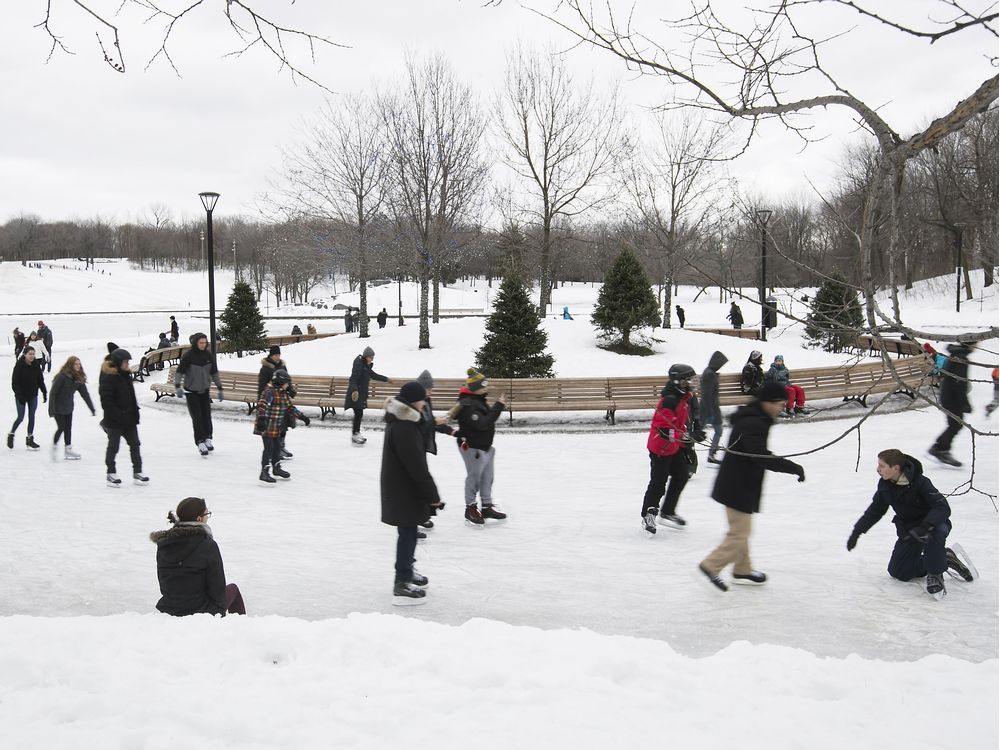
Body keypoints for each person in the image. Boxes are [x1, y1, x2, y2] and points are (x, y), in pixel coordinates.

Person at [698, 382, 805, 591]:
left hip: (740, 482)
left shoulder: (757, 418)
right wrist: (792, 467)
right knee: (740, 533)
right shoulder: (752, 423)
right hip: (737, 485)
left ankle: (742, 569)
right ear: (768, 402)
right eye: (780, 404)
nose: (782, 408)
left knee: (741, 530)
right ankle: (711, 564)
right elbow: (761, 457)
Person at [846, 449, 977, 598]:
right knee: (899, 572)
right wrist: (857, 532)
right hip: (910, 530)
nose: (878, 469)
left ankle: (935, 573)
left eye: (882, 466)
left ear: (895, 468)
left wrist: (926, 526)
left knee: (935, 533)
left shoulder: (921, 482)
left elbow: (942, 507)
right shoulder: (885, 485)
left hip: (932, 526)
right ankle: (945, 557)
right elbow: (875, 511)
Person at [381, 381, 446, 604]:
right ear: (412, 401)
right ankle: (401, 583)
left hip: (403, 487)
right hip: (403, 488)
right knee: (407, 534)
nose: (423, 404)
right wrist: (433, 496)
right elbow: (417, 466)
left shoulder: (406, 421)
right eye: (421, 400)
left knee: (408, 532)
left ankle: (407, 571)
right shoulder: (404, 427)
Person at [150, 496, 246, 617]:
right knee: (233, 590)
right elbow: (217, 586)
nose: (208, 517)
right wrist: (218, 611)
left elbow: (164, 581)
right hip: (200, 610)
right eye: (207, 514)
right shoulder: (207, 545)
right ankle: (240, 629)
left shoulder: (164, 544)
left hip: (170, 607)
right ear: (199, 518)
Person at [640, 364, 702, 534]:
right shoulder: (669, 400)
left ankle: (667, 511)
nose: (691, 382)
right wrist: (686, 437)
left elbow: (678, 423)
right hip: (660, 447)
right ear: (678, 381)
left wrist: (694, 432)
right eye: (688, 379)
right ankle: (648, 515)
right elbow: (664, 429)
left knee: (681, 476)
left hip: (673, 447)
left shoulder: (682, 397)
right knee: (658, 483)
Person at [450, 367, 508, 526]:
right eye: (483, 386)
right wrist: (498, 406)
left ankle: (487, 505)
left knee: (487, 477)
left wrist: (497, 406)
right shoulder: (467, 404)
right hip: (473, 447)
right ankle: (470, 508)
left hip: (485, 447)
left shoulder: (478, 400)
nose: (486, 388)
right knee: (474, 477)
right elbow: (482, 424)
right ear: (475, 388)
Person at [99, 348, 148, 487]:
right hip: (115, 420)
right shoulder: (109, 377)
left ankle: (138, 471)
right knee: (113, 447)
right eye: (125, 362)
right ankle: (111, 473)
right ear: (118, 362)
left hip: (129, 419)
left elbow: (131, 396)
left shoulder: (126, 375)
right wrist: (117, 415)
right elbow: (106, 401)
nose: (128, 364)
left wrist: (135, 411)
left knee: (135, 445)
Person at [415, 369, 456, 533]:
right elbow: (420, 426)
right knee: (418, 482)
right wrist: (434, 422)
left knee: (421, 482)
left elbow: (430, 422)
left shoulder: (426, 401)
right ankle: (415, 519)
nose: (431, 391)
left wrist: (450, 431)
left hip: (421, 447)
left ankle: (421, 516)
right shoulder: (415, 404)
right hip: (414, 447)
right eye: (428, 388)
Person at [174, 333, 224, 457]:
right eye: (200, 343)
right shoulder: (188, 356)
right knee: (197, 417)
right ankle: (200, 441)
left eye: (204, 342)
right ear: (195, 343)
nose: (203, 345)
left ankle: (208, 437)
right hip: (191, 391)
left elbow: (214, 372)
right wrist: (177, 386)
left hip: (204, 390)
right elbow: (179, 372)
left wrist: (219, 387)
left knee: (207, 416)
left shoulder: (208, 355)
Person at [929, 342, 975, 467]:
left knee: (955, 424)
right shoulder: (961, 358)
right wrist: (965, 403)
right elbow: (959, 384)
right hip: (951, 397)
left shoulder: (955, 354)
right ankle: (940, 450)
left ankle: (940, 448)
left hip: (947, 394)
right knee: (955, 424)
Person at [48, 355, 96, 460]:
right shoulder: (62, 377)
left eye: (79, 364)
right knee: (61, 427)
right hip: (58, 407)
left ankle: (68, 450)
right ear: (70, 364)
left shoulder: (78, 379)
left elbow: (85, 394)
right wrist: (51, 409)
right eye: (76, 364)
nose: (78, 366)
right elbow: (53, 393)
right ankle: (54, 446)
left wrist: (91, 408)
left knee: (68, 428)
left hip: (68, 407)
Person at [254, 368, 294, 484]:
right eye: (287, 383)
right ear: (280, 382)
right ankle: (264, 472)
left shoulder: (282, 393)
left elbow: (290, 406)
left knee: (277, 447)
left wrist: (302, 416)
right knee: (269, 448)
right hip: (266, 425)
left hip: (276, 427)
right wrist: (261, 418)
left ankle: (276, 468)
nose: (288, 385)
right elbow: (262, 404)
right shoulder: (270, 391)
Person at [345, 346, 389, 445]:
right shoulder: (359, 365)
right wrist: (355, 391)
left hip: (360, 394)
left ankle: (356, 433)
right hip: (355, 394)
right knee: (358, 414)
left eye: (373, 358)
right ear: (366, 357)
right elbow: (353, 379)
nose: (372, 360)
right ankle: (355, 434)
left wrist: (386, 379)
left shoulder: (365, 366)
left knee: (359, 414)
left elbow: (374, 375)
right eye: (371, 358)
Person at [8, 346, 47, 451]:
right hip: (21, 396)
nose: (32, 356)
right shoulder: (19, 366)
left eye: (33, 354)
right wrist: (19, 395)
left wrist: (44, 392)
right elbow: (14, 383)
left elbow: (40, 380)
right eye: (30, 354)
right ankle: (11, 434)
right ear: (24, 354)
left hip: (33, 395)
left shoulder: (36, 365)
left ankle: (30, 439)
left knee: (32, 416)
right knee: (20, 417)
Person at [701, 351, 729, 464]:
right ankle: (711, 454)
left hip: (708, 408)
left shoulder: (709, 372)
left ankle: (712, 454)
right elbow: (708, 395)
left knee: (698, 430)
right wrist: (712, 413)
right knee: (716, 430)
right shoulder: (710, 374)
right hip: (710, 408)